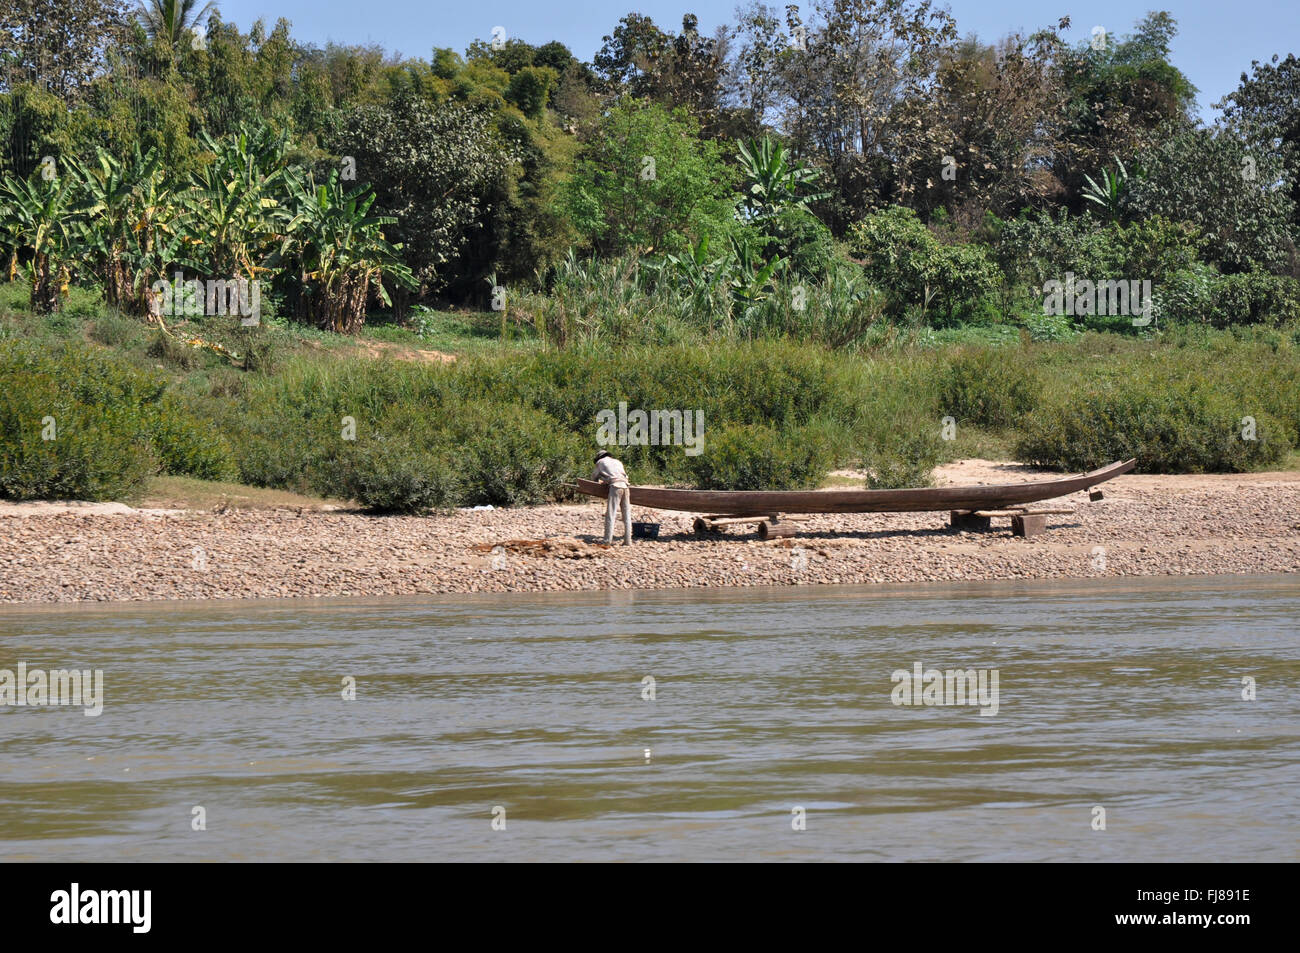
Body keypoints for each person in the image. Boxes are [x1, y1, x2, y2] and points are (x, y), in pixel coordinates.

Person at [591, 450, 632, 545]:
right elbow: (623, 476)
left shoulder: (600, 462)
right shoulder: (618, 462)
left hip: (615, 487)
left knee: (611, 514)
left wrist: (602, 482)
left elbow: (594, 478)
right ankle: (628, 541)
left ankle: (607, 541)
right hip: (625, 486)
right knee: (626, 515)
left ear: (599, 457)